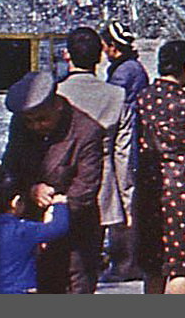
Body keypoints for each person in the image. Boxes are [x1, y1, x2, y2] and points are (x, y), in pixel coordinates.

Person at [2, 69, 106, 293]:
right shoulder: (21, 125)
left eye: (42, 119)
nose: (36, 126)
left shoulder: (87, 131)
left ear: (57, 105)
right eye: (30, 121)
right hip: (32, 231)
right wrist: (30, 190)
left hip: (76, 234)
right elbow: (10, 169)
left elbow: (86, 188)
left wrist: (58, 209)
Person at [134, 39, 185, 294]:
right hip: (184, 191)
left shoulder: (142, 99)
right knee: (180, 265)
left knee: (153, 264)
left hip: (149, 187)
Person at [57, 27, 127, 240]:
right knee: (91, 257)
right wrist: (126, 201)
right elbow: (123, 153)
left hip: (63, 183)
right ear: (100, 57)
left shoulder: (56, 93)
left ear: (66, 54)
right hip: (102, 185)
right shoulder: (116, 95)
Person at [0, 165, 71, 295]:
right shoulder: (22, 230)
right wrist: (59, 204)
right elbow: (58, 228)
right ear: (16, 202)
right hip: (22, 290)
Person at [100, 21, 147, 281]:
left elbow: (114, 109)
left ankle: (125, 262)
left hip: (126, 146)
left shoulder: (124, 72)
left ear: (113, 47)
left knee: (123, 200)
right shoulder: (130, 68)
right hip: (130, 142)